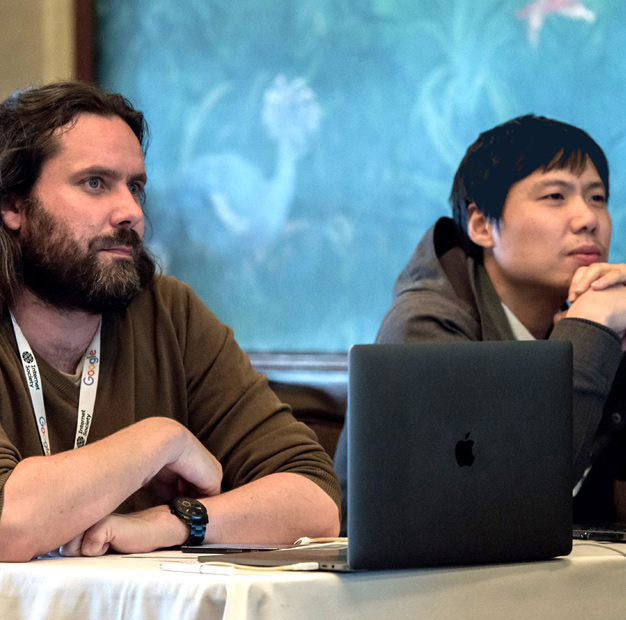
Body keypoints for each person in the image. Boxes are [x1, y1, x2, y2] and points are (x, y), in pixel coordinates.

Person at [0, 81, 340, 562]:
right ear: (13, 205)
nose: (131, 213)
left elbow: (315, 499)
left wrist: (176, 521)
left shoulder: (169, 313)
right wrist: (162, 439)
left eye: (135, 186)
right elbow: (7, 525)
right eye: (95, 183)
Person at [335, 114, 626, 535]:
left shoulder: (593, 317)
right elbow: (494, 505)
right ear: (481, 225)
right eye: (555, 196)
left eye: (598, 198)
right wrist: (592, 325)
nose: (588, 219)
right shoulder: (425, 325)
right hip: (396, 594)